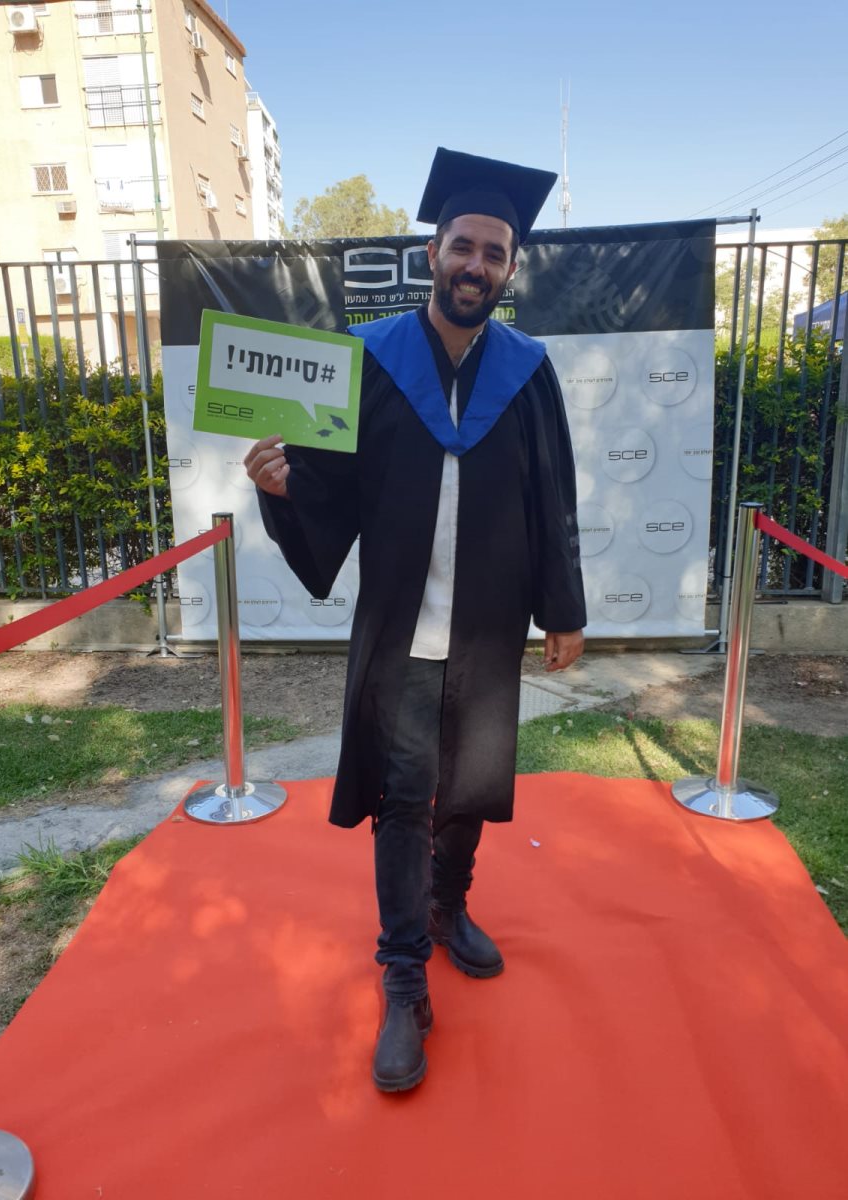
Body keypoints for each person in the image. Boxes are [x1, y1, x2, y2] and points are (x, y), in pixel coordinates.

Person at [244, 147, 587, 1093]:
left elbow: (551, 498)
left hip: (486, 623)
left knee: (468, 786)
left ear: (510, 269)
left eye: (494, 252)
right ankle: (403, 977)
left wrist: (563, 609)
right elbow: (326, 485)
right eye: (462, 246)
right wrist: (281, 487)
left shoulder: (528, 372)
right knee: (403, 799)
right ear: (432, 254)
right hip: (401, 625)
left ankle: (448, 908)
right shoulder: (371, 361)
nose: (476, 264)